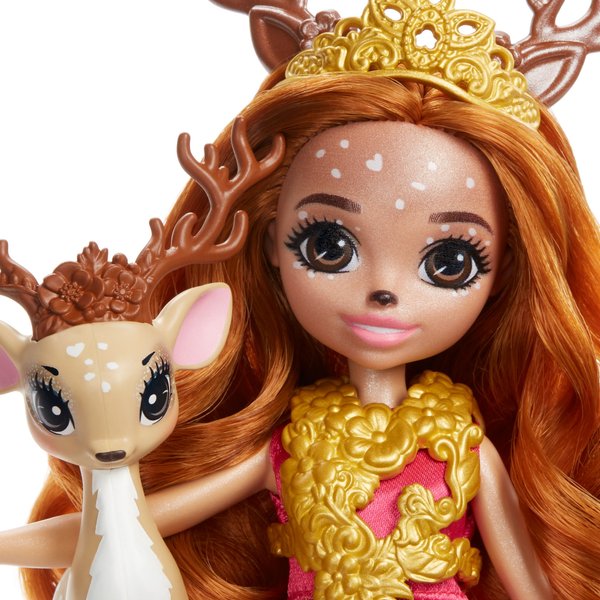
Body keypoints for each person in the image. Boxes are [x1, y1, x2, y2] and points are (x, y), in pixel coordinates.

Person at [2, 0, 599, 598]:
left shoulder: (464, 449)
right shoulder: (291, 448)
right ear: (269, 242)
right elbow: (133, 525)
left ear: (505, 273)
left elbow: (531, 585)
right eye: (329, 246)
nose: (384, 291)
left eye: (449, 263)